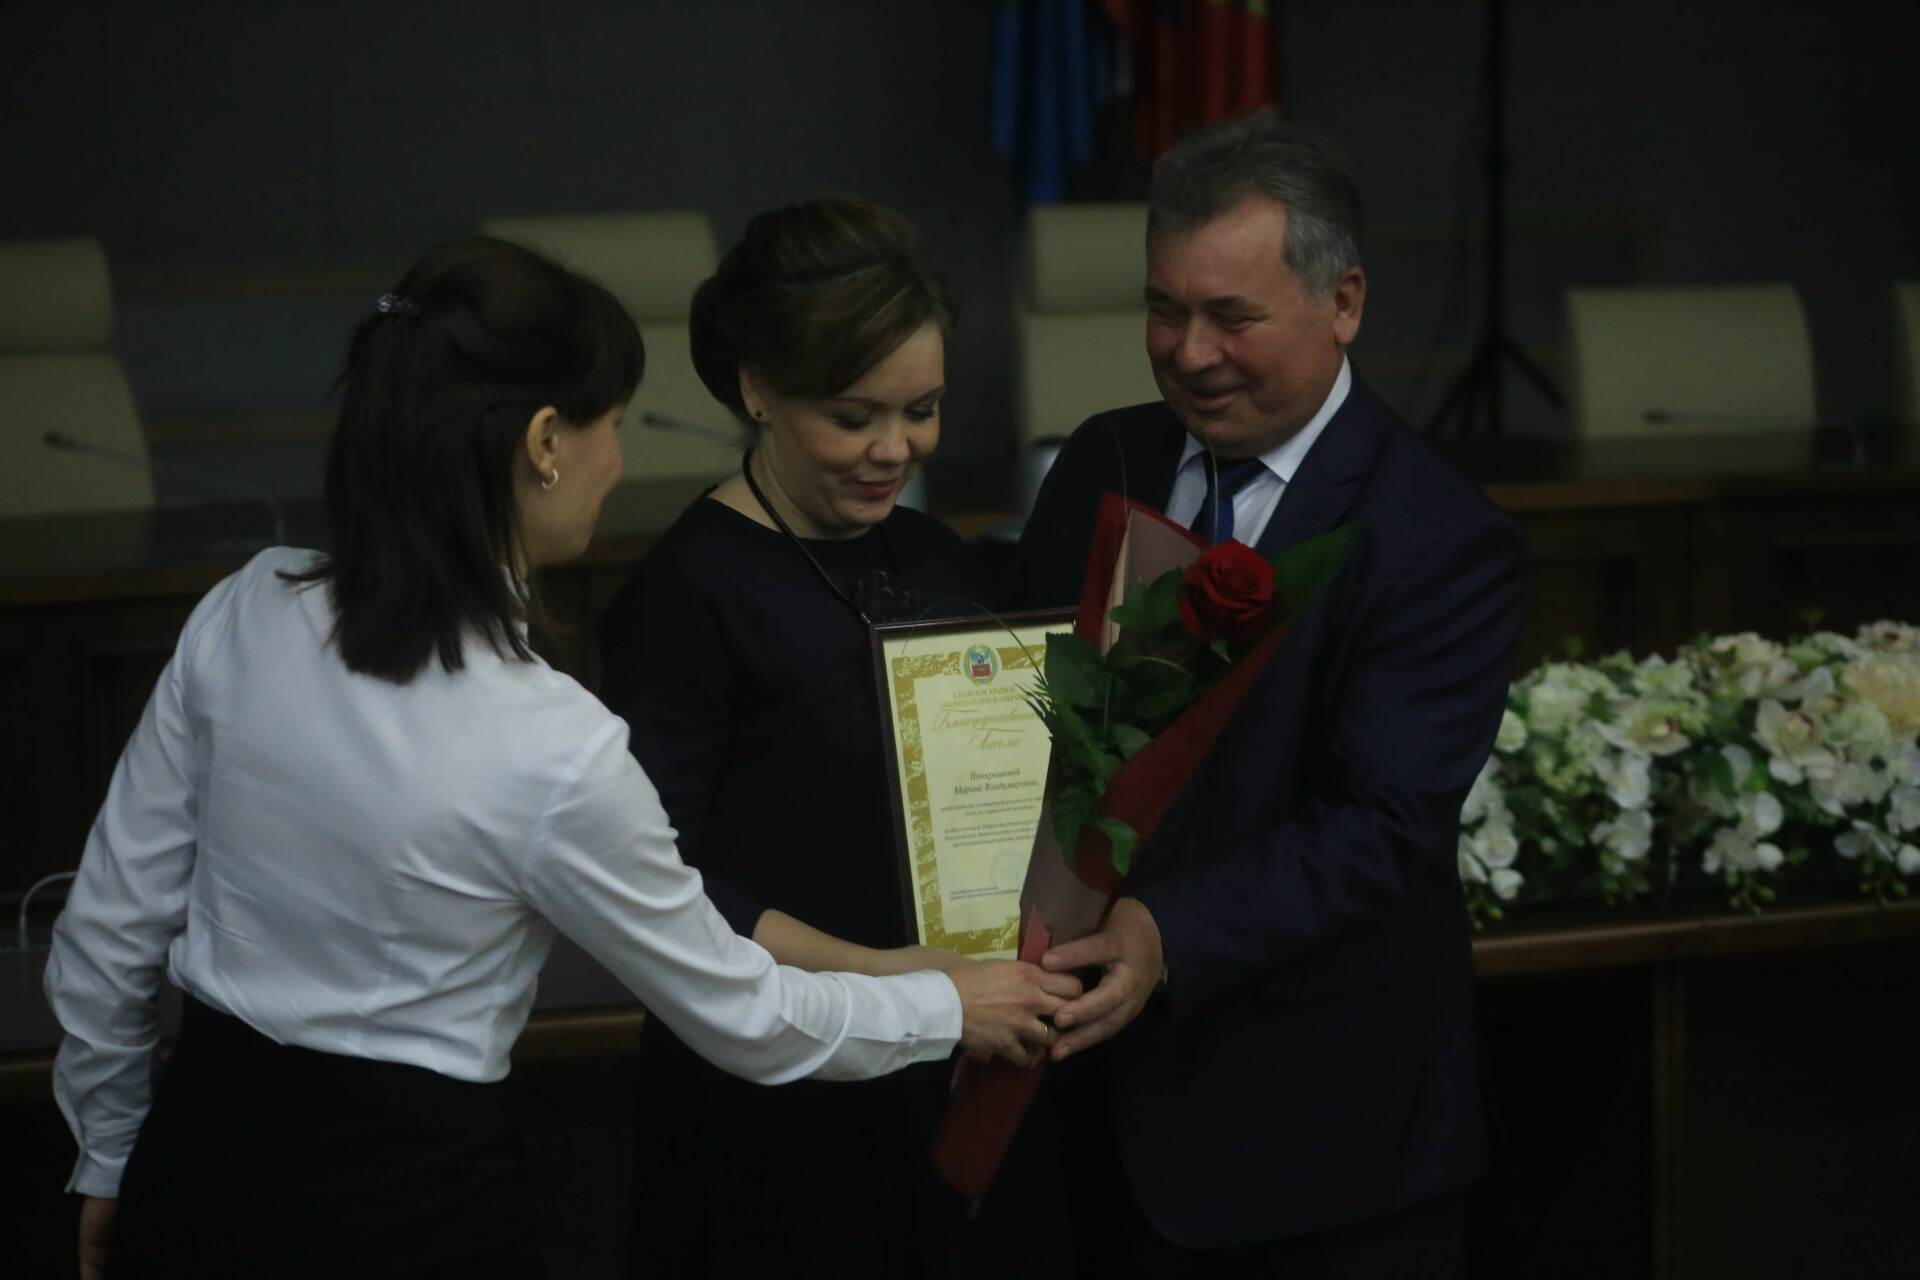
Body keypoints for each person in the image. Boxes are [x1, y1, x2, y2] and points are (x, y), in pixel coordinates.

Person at [43, 235, 1076, 1280]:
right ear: (546, 441)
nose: (617, 465)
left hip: (193, 1162)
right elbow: (744, 1013)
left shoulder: (244, 608)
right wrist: (952, 1004)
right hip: (403, 1206)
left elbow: (104, 933)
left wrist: (109, 1151)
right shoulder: (551, 742)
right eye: (612, 426)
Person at [1005, 111, 1524, 1277]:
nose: (1191, 353)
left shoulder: (1436, 534)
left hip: (1317, 1149)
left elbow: (1381, 823)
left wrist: (1163, 930)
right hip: (1080, 1117)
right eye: (1164, 309)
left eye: (1232, 317)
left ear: (1344, 303)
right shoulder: (1105, 459)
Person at [596, 194, 1071, 1278]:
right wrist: (900, 983)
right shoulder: (687, 593)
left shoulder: (939, 556)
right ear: (757, 389)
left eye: (923, 410)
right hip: (787, 1097)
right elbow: (661, 889)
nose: (893, 450)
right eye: (853, 418)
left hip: (964, 1068)